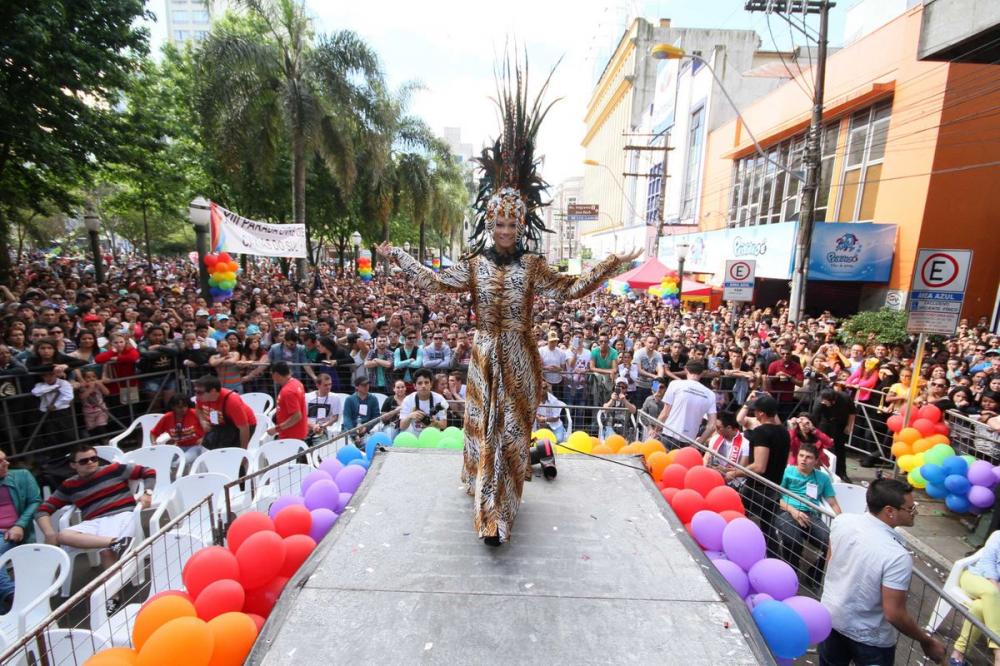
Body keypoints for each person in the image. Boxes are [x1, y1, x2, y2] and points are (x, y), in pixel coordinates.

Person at [377, 62, 636, 545]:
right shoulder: (474, 265)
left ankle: (500, 509)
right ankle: (485, 499)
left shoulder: (533, 265)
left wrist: (609, 265)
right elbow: (435, 283)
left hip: (517, 354)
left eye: (512, 226)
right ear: (489, 225)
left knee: (511, 430)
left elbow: (570, 288)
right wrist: (400, 259)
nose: (505, 232)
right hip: (483, 353)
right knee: (483, 425)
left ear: (521, 227)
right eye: (498, 225)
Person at [820, 478, 945, 665]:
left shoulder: (842, 522)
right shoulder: (897, 556)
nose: (915, 513)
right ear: (890, 511)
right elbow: (894, 613)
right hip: (870, 640)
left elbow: (831, 562)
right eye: (910, 509)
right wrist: (926, 640)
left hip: (831, 618)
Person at [36, 444, 155, 570]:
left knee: (106, 552)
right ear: (73, 465)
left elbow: (148, 471)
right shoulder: (70, 485)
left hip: (121, 514)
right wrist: (49, 533)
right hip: (93, 522)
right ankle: (115, 543)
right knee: (62, 535)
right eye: (84, 461)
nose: (90, 462)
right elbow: (43, 510)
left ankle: (113, 576)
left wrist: (147, 493)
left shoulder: (113, 469)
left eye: (94, 459)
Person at [727, 394, 790, 558]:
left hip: (757, 488)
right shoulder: (784, 432)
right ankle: (774, 561)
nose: (754, 414)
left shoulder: (761, 432)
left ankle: (735, 553)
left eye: (755, 411)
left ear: (761, 413)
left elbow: (759, 466)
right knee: (768, 529)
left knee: (738, 520)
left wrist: (733, 473)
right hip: (774, 488)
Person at [775, 442, 841, 582]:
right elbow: (776, 497)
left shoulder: (823, 478)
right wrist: (793, 511)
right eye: (801, 455)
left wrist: (842, 523)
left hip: (810, 515)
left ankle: (813, 575)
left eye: (808, 457)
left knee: (834, 544)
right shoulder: (787, 472)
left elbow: (833, 503)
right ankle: (790, 576)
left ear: (816, 461)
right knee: (793, 542)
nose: (803, 459)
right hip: (787, 511)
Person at [949, 532, 1000, 666]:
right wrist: (996, 589)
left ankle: (958, 654)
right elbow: (988, 563)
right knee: (991, 593)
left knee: (979, 607)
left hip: (992, 595)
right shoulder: (998, 536)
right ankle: (998, 651)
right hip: (974, 577)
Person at [0, 448, 41, 611]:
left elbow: (35, 501)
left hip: (12, 531)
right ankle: (12, 597)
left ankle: (11, 596)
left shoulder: (22, 476)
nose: (7, 463)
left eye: (5, 459)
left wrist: (20, 524)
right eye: (0, 461)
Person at [656, 360, 717, 448]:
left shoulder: (675, 384)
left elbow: (665, 413)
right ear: (702, 373)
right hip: (689, 441)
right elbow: (712, 426)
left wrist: (655, 430)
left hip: (669, 435)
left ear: (686, 369)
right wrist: (698, 443)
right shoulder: (710, 394)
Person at [193, 375, 257, 450]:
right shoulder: (201, 398)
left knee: (230, 452)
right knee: (208, 447)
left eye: (199, 392)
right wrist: (202, 421)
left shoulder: (232, 401)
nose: (196, 395)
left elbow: (244, 428)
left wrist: (243, 450)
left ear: (213, 391)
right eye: (195, 391)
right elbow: (198, 409)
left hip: (242, 426)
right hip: (221, 424)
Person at [812, 388, 856, 483]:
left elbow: (852, 413)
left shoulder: (845, 398)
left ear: (833, 401)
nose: (823, 403)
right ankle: (821, 471)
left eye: (826, 402)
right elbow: (814, 418)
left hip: (841, 424)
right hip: (825, 423)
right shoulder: (819, 402)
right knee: (822, 448)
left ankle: (842, 473)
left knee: (840, 448)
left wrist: (849, 426)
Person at [150, 394, 205, 465]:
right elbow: (153, 433)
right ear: (173, 407)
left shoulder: (195, 413)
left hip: (196, 447)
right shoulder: (167, 417)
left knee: (180, 462)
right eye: (179, 407)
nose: (183, 409)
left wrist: (203, 438)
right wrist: (154, 444)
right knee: (163, 460)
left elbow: (209, 427)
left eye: (185, 406)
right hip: (179, 446)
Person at [397, 369, 448, 436]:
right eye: (420, 383)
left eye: (426, 382)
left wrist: (435, 423)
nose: (423, 386)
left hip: (433, 436)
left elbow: (444, 425)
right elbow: (402, 426)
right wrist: (410, 417)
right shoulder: (408, 400)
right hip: (414, 437)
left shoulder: (440, 399)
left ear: (431, 384)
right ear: (414, 386)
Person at [703, 411, 748, 483]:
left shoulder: (745, 444)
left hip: (731, 482)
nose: (716, 430)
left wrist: (724, 470)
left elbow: (743, 470)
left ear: (729, 428)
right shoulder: (715, 438)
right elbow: (706, 458)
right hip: (712, 476)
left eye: (718, 427)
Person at [268, 361, 308, 441]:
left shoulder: (288, 391)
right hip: (296, 433)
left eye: (271, 374)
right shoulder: (297, 383)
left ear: (276, 375)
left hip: (291, 436)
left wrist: (276, 429)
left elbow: (297, 416)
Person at [304, 373, 341, 442]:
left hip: (322, 429)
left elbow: (335, 417)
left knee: (321, 444)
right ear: (317, 385)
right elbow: (303, 417)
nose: (328, 387)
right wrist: (313, 426)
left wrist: (323, 426)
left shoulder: (335, 398)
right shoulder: (307, 397)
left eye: (330, 384)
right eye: (325, 385)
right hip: (307, 429)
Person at [342, 376, 381, 440]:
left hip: (368, 430)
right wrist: (354, 434)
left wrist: (366, 428)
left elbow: (376, 417)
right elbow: (347, 418)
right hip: (352, 429)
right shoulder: (349, 400)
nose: (366, 387)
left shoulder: (373, 399)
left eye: (368, 384)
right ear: (357, 387)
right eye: (363, 385)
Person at [539, 330, 568, 402]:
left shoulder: (561, 352)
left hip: (558, 381)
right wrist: (546, 368)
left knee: (557, 401)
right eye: (551, 341)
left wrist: (558, 369)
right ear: (547, 341)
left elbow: (563, 368)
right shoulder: (541, 351)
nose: (553, 343)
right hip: (545, 381)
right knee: (545, 401)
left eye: (555, 341)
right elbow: (537, 366)